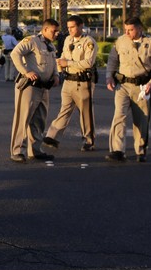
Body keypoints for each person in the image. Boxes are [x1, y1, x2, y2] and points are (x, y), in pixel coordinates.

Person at [105, 17, 151, 163]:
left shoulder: (150, 43)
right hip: (123, 86)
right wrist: (109, 77)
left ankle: (140, 150)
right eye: (125, 29)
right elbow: (112, 61)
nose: (127, 32)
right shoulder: (121, 41)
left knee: (141, 120)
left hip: (142, 87)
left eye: (130, 30)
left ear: (140, 28)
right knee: (119, 115)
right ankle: (117, 150)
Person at [43, 15, 98, 152]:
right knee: (64, 110)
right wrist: (60, 66)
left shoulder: (89, 42)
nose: (70, 30)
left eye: (73, 27)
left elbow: (88, 62)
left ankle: (89, 140)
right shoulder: (68, 39)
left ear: (81, 26)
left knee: (86, 113)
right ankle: (52, 136)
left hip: (82, 82)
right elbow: (63, 55)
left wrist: (68, 63)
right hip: (68, 80)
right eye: (68, 27)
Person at [8, 18, 60, 163]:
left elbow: (53, 62)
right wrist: (26, 72)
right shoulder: (32, 41)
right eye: (54, 31)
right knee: (22, 119)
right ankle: (17, 151)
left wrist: (56, 75)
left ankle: (35, 150)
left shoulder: (50, 46)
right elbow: (15, 54)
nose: (56, 33)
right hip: (29, 87)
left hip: (44, 87)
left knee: (39, 121)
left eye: (57, 31)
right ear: (45, 29)